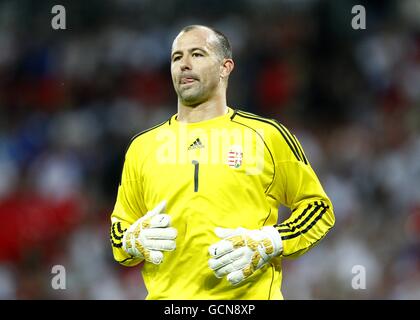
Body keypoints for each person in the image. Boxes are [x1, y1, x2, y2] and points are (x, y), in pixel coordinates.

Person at [109, 25, 335, 300]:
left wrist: (271, 242)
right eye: (176, 57)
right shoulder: (142, 147)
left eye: (197, 54)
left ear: (225, 67)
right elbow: (120, 228)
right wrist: (131, 240)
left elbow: (319, 209)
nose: (184, 65)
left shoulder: (267, 135)